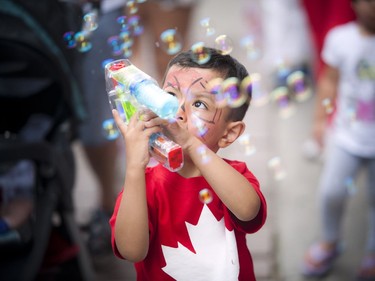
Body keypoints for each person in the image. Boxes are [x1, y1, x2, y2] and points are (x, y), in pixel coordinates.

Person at [109, 47, 267, 280]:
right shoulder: (143, 185)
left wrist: (190, 143)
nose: (177, 111)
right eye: (170, 96)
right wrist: (134, 166)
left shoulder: (234, 175)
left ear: (229, 133)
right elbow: (131, 251)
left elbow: (248, 210)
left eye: (199, 104)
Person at [301, 0, 375, 278]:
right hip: (346, 137)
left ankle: (372, 252)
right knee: (331, 192)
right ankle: (329, 241)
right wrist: (320, 121)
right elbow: (329, 81)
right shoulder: (340, 38)